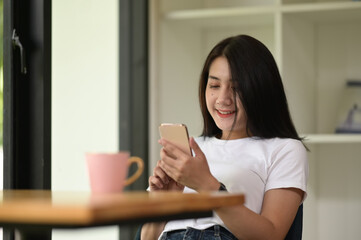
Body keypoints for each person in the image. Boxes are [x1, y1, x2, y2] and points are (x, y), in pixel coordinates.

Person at [141, 34, 309, 240]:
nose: (223, 99)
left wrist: (208, 187)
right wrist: (163, 204)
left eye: (236, 88)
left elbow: (271, 235)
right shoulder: (193, 146)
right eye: (214, 86)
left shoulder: (284, 149)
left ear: (261, 90)